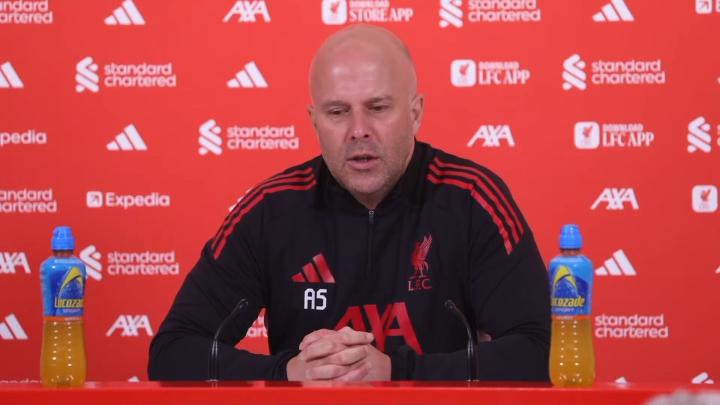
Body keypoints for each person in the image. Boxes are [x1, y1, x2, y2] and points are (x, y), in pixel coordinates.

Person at [148, 24, 550, 381]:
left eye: (378, 108)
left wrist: (395, 371)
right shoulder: (271, 210)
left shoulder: (473, 199)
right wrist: (289, 372)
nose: (359, 130)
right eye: (338, 112)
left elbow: (540, 351)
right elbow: (172, 352)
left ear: (415, 113)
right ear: (314, 121)